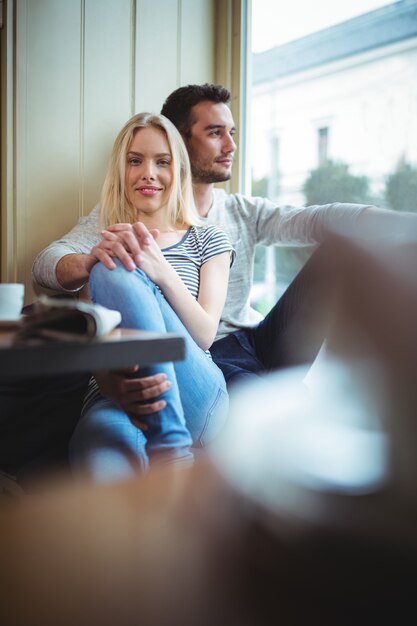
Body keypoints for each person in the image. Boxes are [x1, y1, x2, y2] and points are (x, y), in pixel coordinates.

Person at [32, 83, 417, 419]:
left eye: (231, 133)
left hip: (255, 340)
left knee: (336, 253)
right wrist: (94, 259)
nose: (230, 145)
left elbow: (318, 219)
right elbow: (46, 265)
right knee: (262, 401)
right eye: (215, 133)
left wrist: (402, 223)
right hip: (206, 356)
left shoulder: (240, 212)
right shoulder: (119, 218)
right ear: (178, 143)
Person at [67, 112, 233, 480]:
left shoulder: (209, 239)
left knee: (117, 264)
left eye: (162, 162)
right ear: (121, 171)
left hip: (194, 391)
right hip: (115, 398)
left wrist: (158, 269)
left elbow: (205, 334)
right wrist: (121, 389)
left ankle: (171, 445)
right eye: (135, 161)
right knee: (100, 470)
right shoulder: (102, 249)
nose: (148, 173)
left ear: (179, 171)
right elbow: (96, 348)